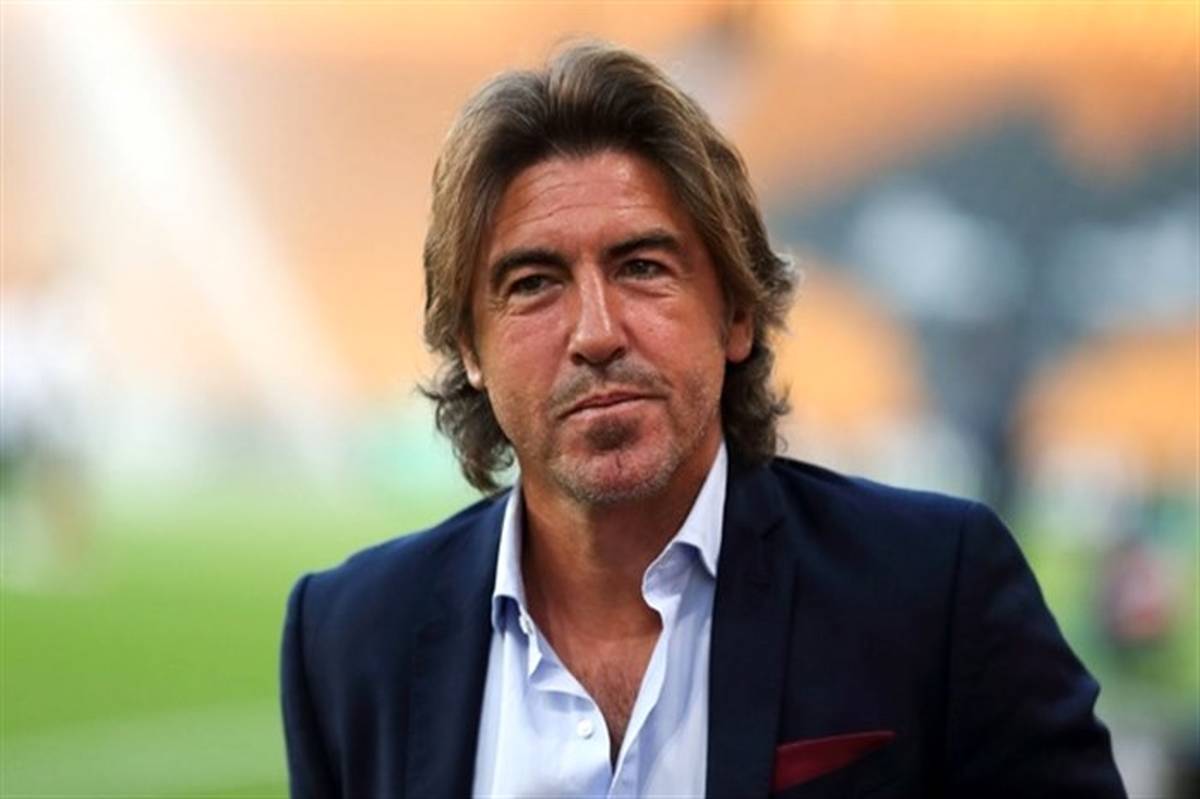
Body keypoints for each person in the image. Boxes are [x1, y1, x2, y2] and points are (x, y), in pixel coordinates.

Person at [281, 42, 1126, 798]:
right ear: (469, 346)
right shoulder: (349, 635)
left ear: (737, 314)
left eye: (642, 266)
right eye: (533, 283)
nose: (596, 333)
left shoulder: (935, 592)